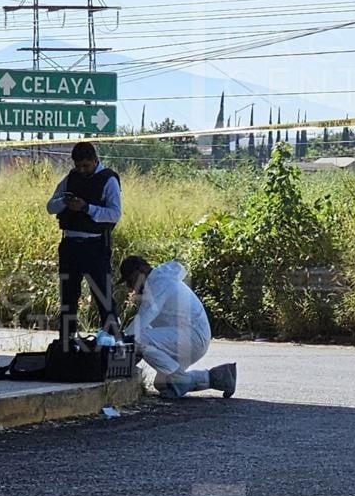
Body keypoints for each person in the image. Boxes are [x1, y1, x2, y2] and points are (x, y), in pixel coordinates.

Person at [119, 255, 236, 399]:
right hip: (188, 337)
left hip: (192, 338)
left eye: (130, 280)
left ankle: (182, 380)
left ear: (141, 270)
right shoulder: (157, 282)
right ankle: (220, 377)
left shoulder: (160, 283)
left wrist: (120, 341)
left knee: (137, 339)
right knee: (163, 384)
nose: (130, 287)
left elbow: (142, 321)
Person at [46, 141, 121, 345]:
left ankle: (113, 342)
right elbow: (50, 207)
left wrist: (87, 208)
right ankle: (67, 341)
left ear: (95, 160)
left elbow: (114, 214)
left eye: (86, 166)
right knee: (68, 296)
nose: (81, 170)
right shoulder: (70, 178)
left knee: (103, 296)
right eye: (78, 166)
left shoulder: (108, 180)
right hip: (70, 245)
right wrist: (65, 202)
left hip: (95, 246)